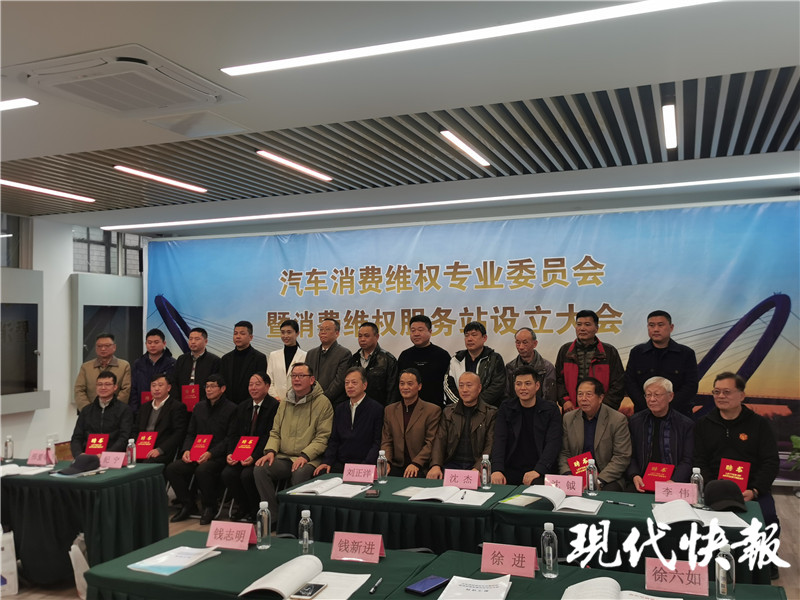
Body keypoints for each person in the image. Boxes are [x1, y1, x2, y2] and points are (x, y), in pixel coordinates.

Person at [694, 372, 780, 533]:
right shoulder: (703, 424)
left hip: (751, 490)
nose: (721, 396)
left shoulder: (759, 424)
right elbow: (699, 460)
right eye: (716, 392)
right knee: (697, 525)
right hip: (713, 488)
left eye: (727, 392)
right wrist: (712, 487)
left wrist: (755, 490)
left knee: (768, 522)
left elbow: (771, 462)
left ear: (741, 395)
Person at [253, 363, 333, 513]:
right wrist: (270, 451)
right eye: (294, 376)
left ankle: (296, 516)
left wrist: (305, 456)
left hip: (310, 458)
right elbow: (275, 432)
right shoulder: (285, 402)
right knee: (260, 469)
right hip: (284, 457)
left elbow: (322, 437)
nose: (296, 379)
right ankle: (274, 516)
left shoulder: (323, 403)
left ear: (311, 380)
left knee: (299, 473)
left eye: (301, 376)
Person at [165, 374, 237, 524]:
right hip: (197, 452)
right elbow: (191, 433)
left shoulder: (232, 409)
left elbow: (230, 438)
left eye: (213, 386)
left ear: (222, 389)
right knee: (172, 468)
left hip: (218, 455)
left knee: (203, 470)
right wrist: (186, 450)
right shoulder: (199, 407)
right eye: (207, 386)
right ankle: (188, 505)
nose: (208, 390)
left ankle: (210, 507)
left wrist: (211, 453)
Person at [221, 372, 279, 521]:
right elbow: (233, 433)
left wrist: (254, 456)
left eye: (257, 384)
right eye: (250, 384)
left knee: (247, 475)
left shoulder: (275, 407)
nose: (253, 388)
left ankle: (255, 509)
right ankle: (243, 507)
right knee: (228, 473)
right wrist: (231, 453)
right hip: (241, 454)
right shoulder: (242, 407)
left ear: (267, 386)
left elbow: (270, 436)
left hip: (260, 455)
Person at [491, 366, 562, 486]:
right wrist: (497, 469)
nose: (523, 388)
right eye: (518, 384)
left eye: (528, 383)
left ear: (537, 386)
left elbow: (553, 443)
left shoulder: (550, 409)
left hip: (540, 471)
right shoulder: (506, 408)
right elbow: (499, 439)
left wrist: (538, 470)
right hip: (511, 469)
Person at [558, 377, 631, 491]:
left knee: (608, 492)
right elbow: (564, 452)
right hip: (576, 475)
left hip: (606, 477)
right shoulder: (568, 418)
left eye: (589, 394)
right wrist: (568, 474)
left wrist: (598, 481)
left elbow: (621, 456)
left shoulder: (617, 420)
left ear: (600, 398)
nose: (583, 399)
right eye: (580, 394)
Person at [627, 377, 695, 492]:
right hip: (641, 480)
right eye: (648, 395)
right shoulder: (635, 422)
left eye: (657, 395)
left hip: (674, 482)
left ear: (670, 396)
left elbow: (688, 459)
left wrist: (674, 481)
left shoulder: (685, 424)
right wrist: (634, 475)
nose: (652, 399)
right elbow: (630, 455)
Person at [625, 310, 699, 416]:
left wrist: (666, 408)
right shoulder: (637, 352)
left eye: (660, 325)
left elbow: (691, 385)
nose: (656, 329)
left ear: (671, 327)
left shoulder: (686, 353)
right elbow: (630, 383)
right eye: (651, 325)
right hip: (644, 414)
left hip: (678, 414)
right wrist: (649, 406)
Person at [314, 367, 384, 475]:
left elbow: (377, 442)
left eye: (354, 382)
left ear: (365, 385)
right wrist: (327, 461)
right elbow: (334, 439)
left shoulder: (376, 409)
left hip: (365, 464)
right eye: (347, 383)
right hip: (341, 463)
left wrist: (366, 465)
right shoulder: (340, 409)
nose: (349, 386)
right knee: (321, 472)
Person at [428, 372, 497, 478]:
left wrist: (478, 467)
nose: (464, 390)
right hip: (451, 465)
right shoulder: (448, 412)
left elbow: (490, 445)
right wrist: (436, 465)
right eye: (461, 386)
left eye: (469, 385)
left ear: (479, 388)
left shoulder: (490, 413)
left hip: (475, 465)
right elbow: (440, 440)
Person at [555, 310, 625, 412]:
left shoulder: (609, 351)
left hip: (602, 410)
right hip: (571, 409)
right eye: (579, 324)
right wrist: (565, 401)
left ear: (596, 328)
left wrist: (604, 407)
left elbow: (618, 383)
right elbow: (558, 380)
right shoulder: (565, 350)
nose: (582, 328)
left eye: (587, 324)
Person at [381, 368, 441, 477]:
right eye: (402, 383)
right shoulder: (389, 410)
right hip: (396, 466)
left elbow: (431, 442)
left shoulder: (432, 410)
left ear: (419, 386)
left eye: (410, 384)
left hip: (420, 467)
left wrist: (416, 463)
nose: (405, 387)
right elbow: (387, 441)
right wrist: (387, 461)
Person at [70, 370, 134, 458]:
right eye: (99, 384)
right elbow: (76, 437)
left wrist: (105, 454)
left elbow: (124, 438)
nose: (103, 388)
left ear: (115, 387)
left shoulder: (124, 410)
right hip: (87, 457)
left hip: (112, 457)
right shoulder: (86, 410)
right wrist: (79, 454)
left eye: (107, 384)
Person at [444, 321, 506, 407]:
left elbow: (497, 386)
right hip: (459, 408)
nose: (469, 339)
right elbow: (448, 385)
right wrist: (462, 404)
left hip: (488, 410)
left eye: (474, 335)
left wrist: (476, 404)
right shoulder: (456, 360)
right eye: (467, 335)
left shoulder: (494, 359)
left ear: (484, 338)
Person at [397, 315, 451, 408]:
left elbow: (449, 385)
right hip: (408, 407)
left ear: (430, 332)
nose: (416, 334)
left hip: (436, 408)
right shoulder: (404, 355)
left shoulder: (442, 355)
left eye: (420, 330)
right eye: (413, 330)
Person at [135, 373, 189, 465]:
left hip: (162, 451)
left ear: (168, 388)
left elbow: (179, 433)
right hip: (142, 448)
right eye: (153, 385)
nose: (156, 389)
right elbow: (135, 429)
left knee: (147, 464)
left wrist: (160, 450)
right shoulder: (144, 407)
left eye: (160, 385)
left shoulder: (177, 407)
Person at [74, 333, 131, 412]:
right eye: (99, 346)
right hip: (90, 413)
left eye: (107, 346)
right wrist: (88, 410)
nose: (103, 349)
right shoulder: (86, 367)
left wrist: (113, 410)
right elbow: (79, 390)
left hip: (115, 413)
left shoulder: (124, 366)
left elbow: (126, 390)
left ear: (114, 347)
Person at [347, 322, 398, 406]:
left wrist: (388, 411)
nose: (362, 339)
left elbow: (392, 392)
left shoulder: (388, 360)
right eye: (360, 336)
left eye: (366, 336)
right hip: (357, 407)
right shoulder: (354, 359)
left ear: (377, 337)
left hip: (380, 407)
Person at [304, 318, 351, 406]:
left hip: (334, 403)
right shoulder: (311, 353)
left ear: (337, 333)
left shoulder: (344, 353)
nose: (323, 332)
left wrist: (322, 399)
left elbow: (339, 382)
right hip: (310, 402)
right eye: (321, 329)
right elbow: (306, 377)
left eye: (327, 329)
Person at [129, 328, 176, 416]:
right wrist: (135, 410)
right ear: (146, 344)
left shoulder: (172, 363)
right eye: (149, 343)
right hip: (141, 409)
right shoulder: (138, 363)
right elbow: (133, 389)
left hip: (165, 410)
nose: (152, 345)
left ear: (164, 343)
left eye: (156, 342)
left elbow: (174, 389)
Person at [219, 321, 268, 405]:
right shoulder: (225, 358)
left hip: (250, 405)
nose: (238, 336)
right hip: (228, 405)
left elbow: (259, 384)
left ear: (251, 337)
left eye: (242, 333)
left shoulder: (259, 358)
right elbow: (222, 383)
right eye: (235, 333)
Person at [504, 328, 557, 403]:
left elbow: (549, 398)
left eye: (525, 343)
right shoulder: (510, 367)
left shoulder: (547, 367)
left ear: (535, 344)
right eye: (518, 343)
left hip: (541, 409)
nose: (521, 347)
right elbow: (507, 396)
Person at [172, 327, 222, 406]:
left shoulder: (214, 361)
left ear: (206, 341)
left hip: (205, 405)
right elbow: (174, 381)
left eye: (197, 339)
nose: (193, 342)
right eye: (190, 339)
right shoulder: (181, 359)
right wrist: (178, 402)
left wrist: (203, 404)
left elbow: (215, 385)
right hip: (181, 404)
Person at [266, 319, 306, 402]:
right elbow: (269, 380)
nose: (285, 335)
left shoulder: (305, 356)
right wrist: (276, 398)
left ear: (297, 333)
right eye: (283, 332)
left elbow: (306, 381)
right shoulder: (273, 355)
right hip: (276, 402)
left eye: (289, 332)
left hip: (298, 401)